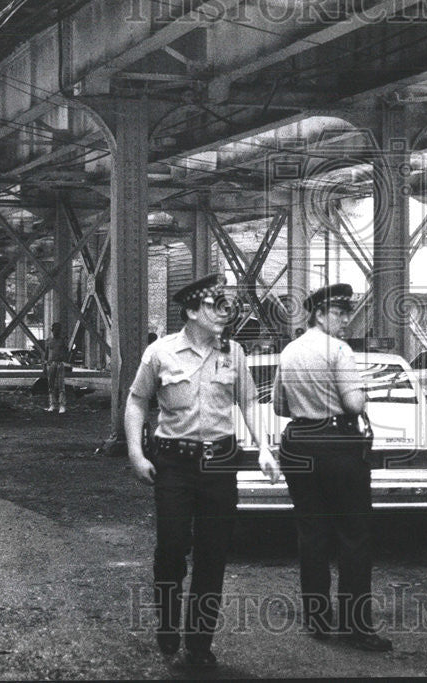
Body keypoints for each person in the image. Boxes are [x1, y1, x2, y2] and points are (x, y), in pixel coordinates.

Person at [125, 274, 280, 668]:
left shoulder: (235, 352)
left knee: (213, 554)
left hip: (220, 465)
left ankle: (199, 644)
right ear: (192, 311)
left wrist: (264, 447)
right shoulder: (160, 353)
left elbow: (248, 403)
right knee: (173, 546)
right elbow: (137, 401)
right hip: (173, 463)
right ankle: (167, 623)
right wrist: (135, 453)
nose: (224, 312)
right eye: (215, 305)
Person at [271, 283, 393, 652]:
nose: (345, 320)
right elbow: (354, 405)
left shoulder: (290, 351)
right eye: (339, 314)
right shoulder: (338, 350)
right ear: (319, 314)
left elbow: (279, 405)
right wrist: (362, 391)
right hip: (338, 444)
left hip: (299, 444)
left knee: (312, 532)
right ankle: (356, 627)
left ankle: (317, 620)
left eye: (346, 313)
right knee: (354, 535)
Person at [43, 322, 70, 413]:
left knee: (61, 385)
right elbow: (46, 354)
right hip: (51, 364)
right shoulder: (48, 341)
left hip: (59, 363)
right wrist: (45, 365)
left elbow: (66, 352)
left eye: (58, 330)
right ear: (52, 330)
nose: (56, 332)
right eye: (55, 330)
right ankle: (52, 404)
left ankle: (62, 405)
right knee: (51, 385)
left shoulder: (62, 341)